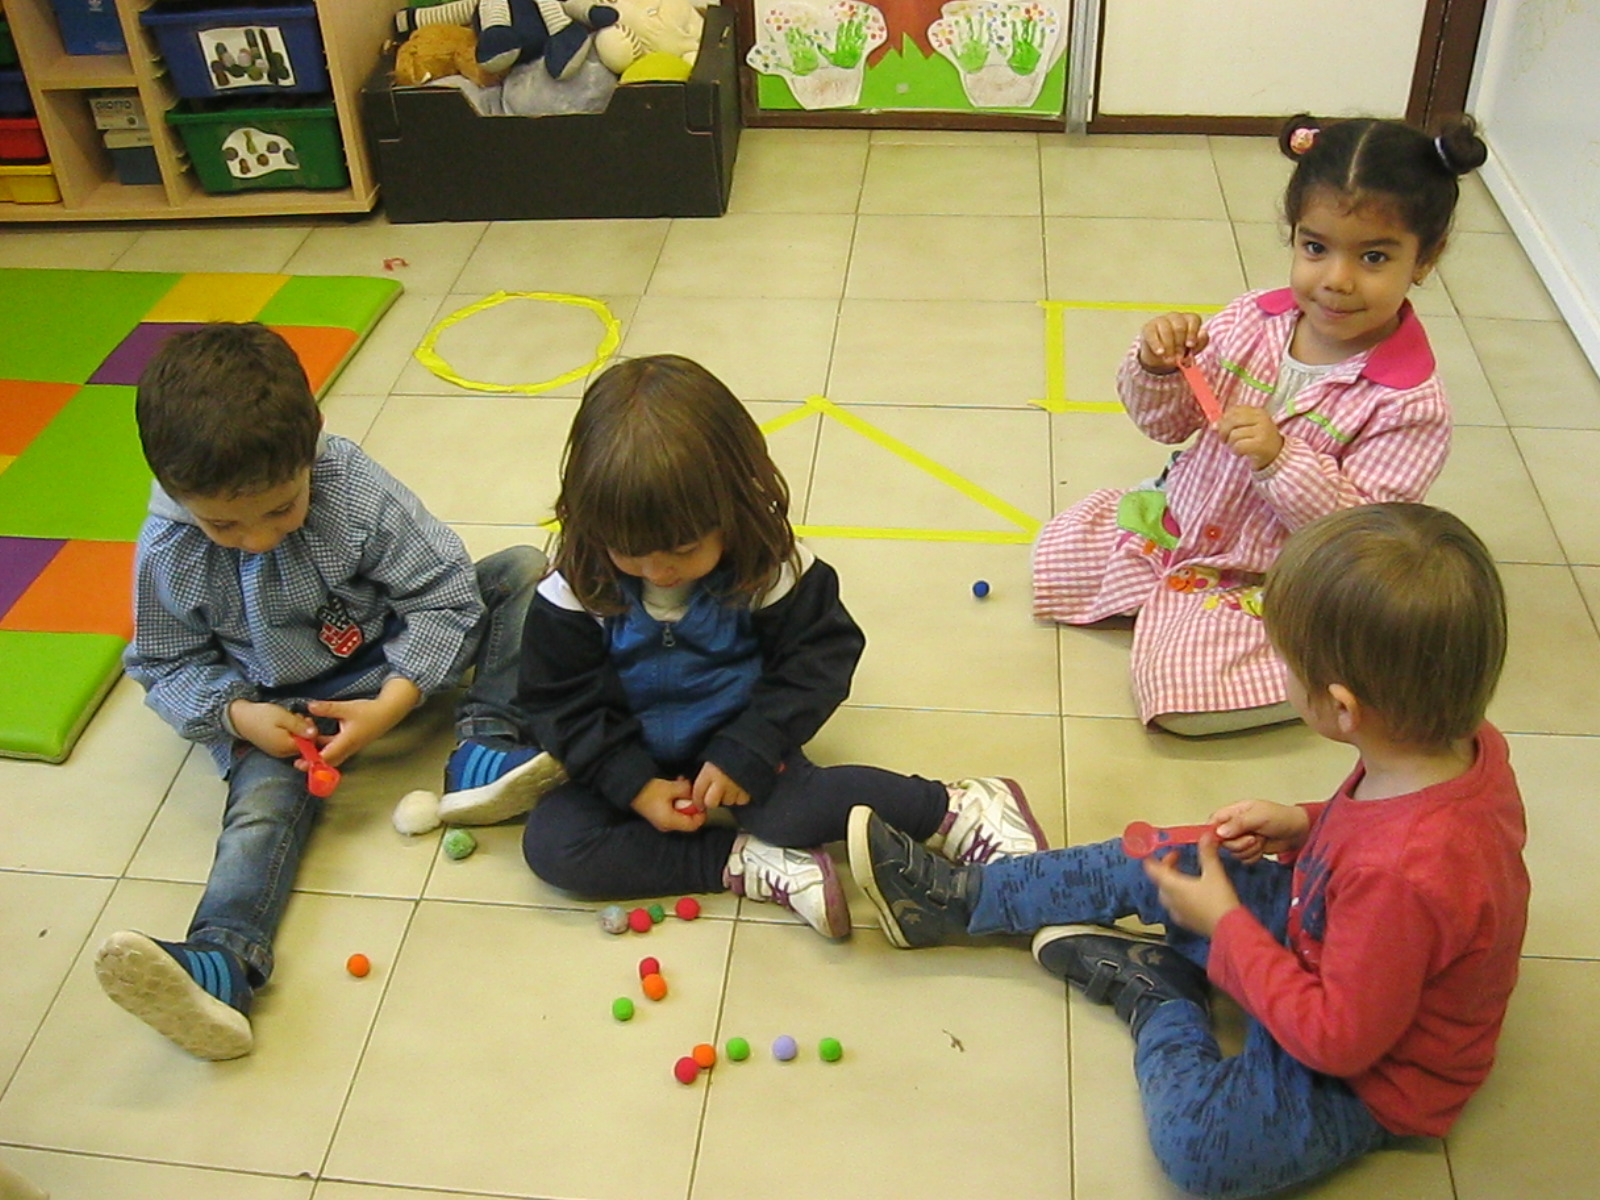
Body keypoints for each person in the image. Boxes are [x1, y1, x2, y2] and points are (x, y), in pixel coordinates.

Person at [850, 503, 1527, 1199]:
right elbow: (1381, 834)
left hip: (1364, 1077)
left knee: (1199, 1151)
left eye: (1286, 663)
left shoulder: (1402, 874)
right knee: (1172, 855)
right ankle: (964, 898)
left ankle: (1161, 998)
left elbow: (1336, 1038)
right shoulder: (1457, 745)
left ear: (1343, 709)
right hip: (1331, 931)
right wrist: (1305, 823)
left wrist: (1225, 927)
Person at [94, 323, 560, 1060]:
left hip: (389, 653)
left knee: (523, 570)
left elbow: (443, 591)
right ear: (177, 493)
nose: (258, 538)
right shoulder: (170, 549)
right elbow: (166, 662)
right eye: (223, 524)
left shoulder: (349, 486)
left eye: (281, 509)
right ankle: (222, 961)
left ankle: (484, 748)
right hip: (277, 709)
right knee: (259, 812)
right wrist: (240, 717)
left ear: (311, 442)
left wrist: (395, 699)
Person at [514, 354, 1046, 937]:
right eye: (630, 552)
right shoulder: (575, 587)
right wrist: (630, 782)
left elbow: (819, 661)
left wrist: (749, 747)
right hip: (628, 749)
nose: (659, 572)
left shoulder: (770, 569)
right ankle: (749, 862)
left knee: (792, 812)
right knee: (554, 845)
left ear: (731, 507)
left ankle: (955, 809)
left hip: (745, 737)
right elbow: (559, 701)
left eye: (684, 550)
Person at [1034, 113, 1489, 736]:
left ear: (1425, 259)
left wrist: (1282, 460)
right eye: (1315, 248)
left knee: (1180, 702)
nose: (1337, 280)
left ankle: (1324, 687)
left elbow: (1362, 540)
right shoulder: (1253, 318)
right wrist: (1158, 366)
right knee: (1057, 555)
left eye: (1373, 257)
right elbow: (1166, 425)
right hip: (1180, 524)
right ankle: (1169, 607)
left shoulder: (1410, 402)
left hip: (1271, 577)